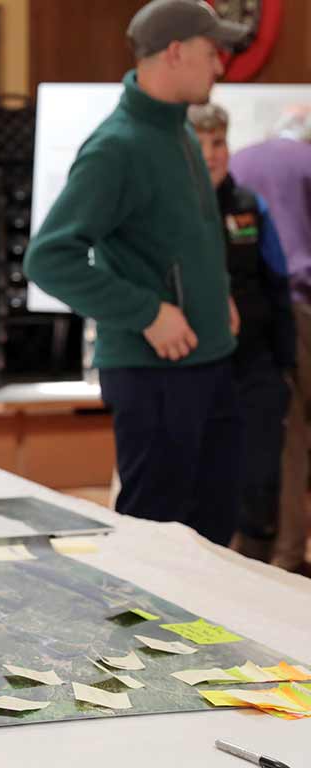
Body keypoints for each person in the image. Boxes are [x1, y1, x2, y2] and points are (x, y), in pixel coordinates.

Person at [24, 0, 247, 545]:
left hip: (209, 366)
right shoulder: (116, 147)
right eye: (210, 51)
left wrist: (219, 294)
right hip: (157, 375)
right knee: (156, 546)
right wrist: (148, 312)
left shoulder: (180, 131)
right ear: (175, 52)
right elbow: (48, 258)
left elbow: (180, 235)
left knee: (212, 535)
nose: (220, 66)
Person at [189, 102, 295, 562]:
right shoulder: (174, 209)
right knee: (200, 481)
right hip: (194, 369)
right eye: (201, 143)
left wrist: (285, 365)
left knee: (260, 481)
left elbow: (277, 285)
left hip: (255, 368)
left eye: (219, 142)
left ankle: (255, 571)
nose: (212, 154)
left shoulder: (251, 206)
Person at [230, 111, 311, 574]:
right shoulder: (307, 161)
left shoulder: (240, 161)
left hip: (254, 310)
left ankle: (266, 551)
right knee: (293, 433)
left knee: (278, 432)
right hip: (301, 305)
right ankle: (290, 555)